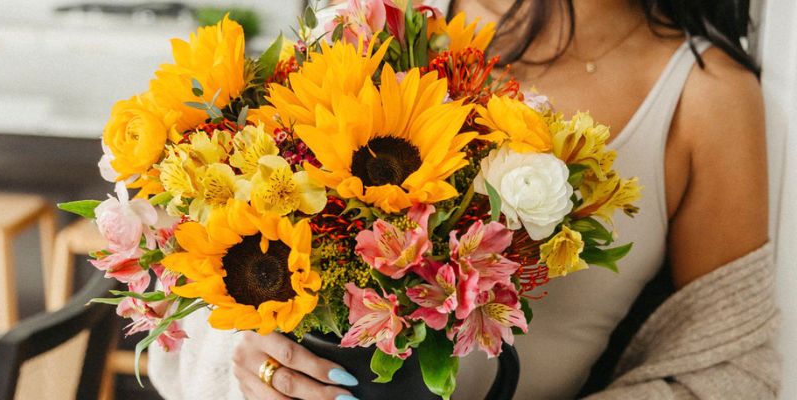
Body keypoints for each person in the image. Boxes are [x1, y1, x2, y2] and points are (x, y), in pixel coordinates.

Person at [148, 0, 774, 399]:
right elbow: (177, 316)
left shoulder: (707, 95)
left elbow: (730, 376)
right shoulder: (375, 18)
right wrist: (249, 363)